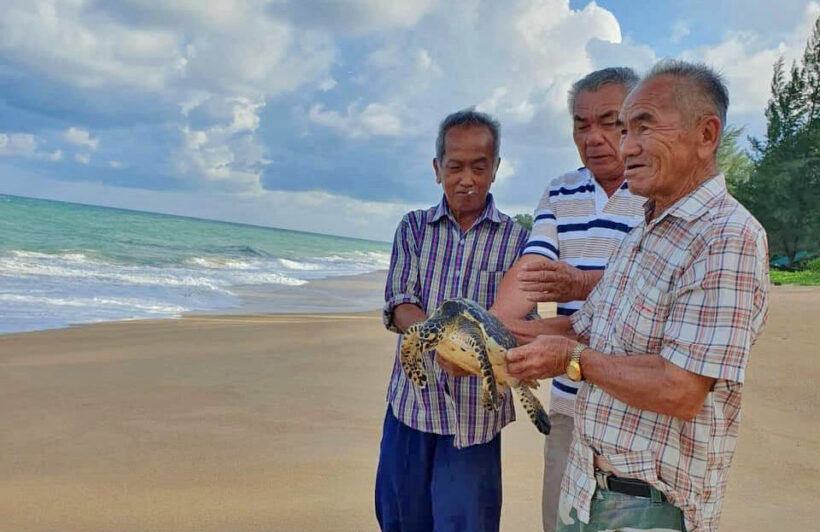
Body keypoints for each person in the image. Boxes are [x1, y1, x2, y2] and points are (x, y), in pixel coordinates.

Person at [503, 59, 769, 532]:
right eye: (625, 130)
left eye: (641, 128)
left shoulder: (727, 236)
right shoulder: (645, 228)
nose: (625, 147)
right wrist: (496, 335)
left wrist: (570, 359)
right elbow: (584, 328)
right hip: (588, 484)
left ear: (707, 135)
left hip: (648, 505)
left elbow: (680, 388)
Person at [491, 67, 646, 532]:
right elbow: (534, 269)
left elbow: (649, 283)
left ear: (636, 122)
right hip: (569, 400)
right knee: (559, 521)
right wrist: (493, 327)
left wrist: (582, 283)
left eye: (610, 121)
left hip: (636, 403)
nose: (594, 137)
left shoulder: (656, 191)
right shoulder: (561, 189)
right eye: (581, 124)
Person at [375, 109, 530, 532]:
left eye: (479, 167)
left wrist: (477, 353)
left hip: (476, 423)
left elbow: (521, 322)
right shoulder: (413, 228)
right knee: (400, 521)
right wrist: (438, 340)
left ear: (495, 169)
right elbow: (400, 301)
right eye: (455, 166)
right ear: (436, 168)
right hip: (411, 408)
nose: (467, 179)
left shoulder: (517, 241)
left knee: (467, 525)